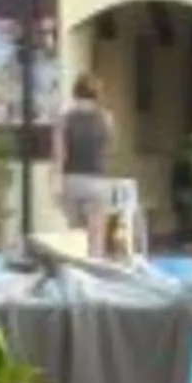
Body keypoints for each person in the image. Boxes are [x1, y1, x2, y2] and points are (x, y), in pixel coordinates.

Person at [56, 73, 119, 255]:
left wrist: (56, 182)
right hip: (98, 180)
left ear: (75, 92)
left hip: (72, 179)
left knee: (76, 234)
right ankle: (95, 263)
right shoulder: (106, 118)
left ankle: (78, 266)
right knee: (96, 236)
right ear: (98, 93)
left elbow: (59, 153)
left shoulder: (65, 118)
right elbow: (109, 148)